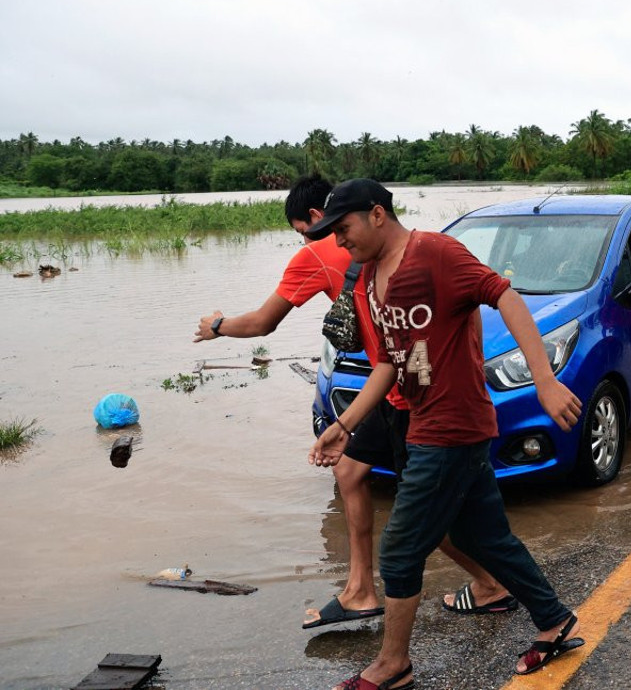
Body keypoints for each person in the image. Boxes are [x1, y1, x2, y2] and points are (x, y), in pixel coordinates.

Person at [193, 175, 510, 629]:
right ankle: (360, 589)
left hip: (403, 393)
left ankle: (489, 583)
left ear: (320, 220)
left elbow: (263, 323)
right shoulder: (398, 243)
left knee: (424, 512)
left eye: (305, 230)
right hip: (395, 385)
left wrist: (218, 325)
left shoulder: (321, 252)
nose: (315, 240)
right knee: (350, 470)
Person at [307, 179, 584, 688]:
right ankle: (553, 618)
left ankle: (393, 665)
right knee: (482, 536)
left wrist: (545, 380)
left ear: (376, 215)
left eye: (343, 229)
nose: (339, 241)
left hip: (453, 427)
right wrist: (344, 426)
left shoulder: (435, 253)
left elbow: (507, 298)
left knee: (400, 549)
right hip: (423, 424)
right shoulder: (368, 280)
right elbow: (389, 365)